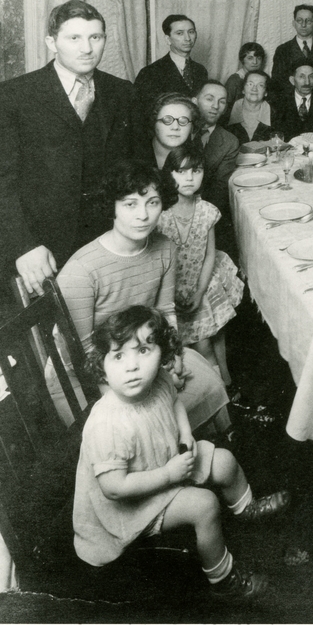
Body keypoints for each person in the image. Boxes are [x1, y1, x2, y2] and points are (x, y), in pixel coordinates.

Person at [73, 306, 289, 598]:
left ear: (162, 352)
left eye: (144, 350)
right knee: (204, 505)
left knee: (224, 462)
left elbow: (174, 403)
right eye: (119, 355)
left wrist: (185, 433)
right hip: (132, 501)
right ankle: (223, 579)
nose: (132, 366)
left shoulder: (158, 380)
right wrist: (168, 474)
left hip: (165, 461)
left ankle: (246, 507)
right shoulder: (108, 423)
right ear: (103, 364)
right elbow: (113, 488)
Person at [55, 160, 230, 434]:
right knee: (144, 425)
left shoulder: (164, 249)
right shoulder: (80, 271)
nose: (144, 215)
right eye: (130, 204)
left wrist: (171, 357)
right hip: (85, 375)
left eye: (152, 202)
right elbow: (81, 355)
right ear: (111, 207)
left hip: (141, 352)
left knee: (205, 378)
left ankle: (214, 454)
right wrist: (143, 381)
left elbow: (165, 313)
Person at [0, 0, 138, 296]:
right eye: (74, 38)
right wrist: (23, 247)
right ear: (51, 42)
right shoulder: (13, 96)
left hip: (111, 241)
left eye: (96, 37)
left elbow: (138, 171)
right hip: (41, 250)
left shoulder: (123, 93)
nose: (87, 48)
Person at [157, 144, 244, 388]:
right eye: (180, 172)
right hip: (172, 291)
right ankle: (210, 391)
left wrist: (198, 292)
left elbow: (208, 256)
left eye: (195, 171)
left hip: (200, 284)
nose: (189, 178)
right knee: (191, 346)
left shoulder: (207, 212)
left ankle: (222, 386)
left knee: (209, 339)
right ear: (169, 174)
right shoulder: (160, 216)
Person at [193, 81, 239, 262]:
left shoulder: (229, 142)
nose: (215, 106)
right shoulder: (178, 128)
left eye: (221, 101)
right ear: (195, 101)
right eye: (209, 99)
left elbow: (219, 191)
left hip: (205, 216)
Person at [134, 15, 209, 110]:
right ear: (168, 39)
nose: (188, 38)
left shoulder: (200, 70)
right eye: (179, 33)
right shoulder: (150, 72)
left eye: (191, 32)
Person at [274, 59, 313, 139]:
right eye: (302, 77)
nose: (307, 82)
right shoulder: (279, 102)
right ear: (292, 80)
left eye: (311, 77)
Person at [150, 93, 201, 171]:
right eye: (167, 120)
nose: (175, 127)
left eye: (183, 121)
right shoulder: (132, 156)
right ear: (154, 122)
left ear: (192, 127)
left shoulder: (197, 161)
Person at [226, 70, 278, 144]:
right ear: (243, 90)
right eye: (250, 84)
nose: (254, 89)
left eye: (260, 85)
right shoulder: (227, 112)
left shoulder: (276, 115)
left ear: (266, 92)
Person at [224, 42, 266, 112]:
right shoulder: (234, 80)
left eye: (258, 58)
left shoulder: (264, 79)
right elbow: (225, 108)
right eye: (250, 58)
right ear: (242, 60)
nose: (255, 62)